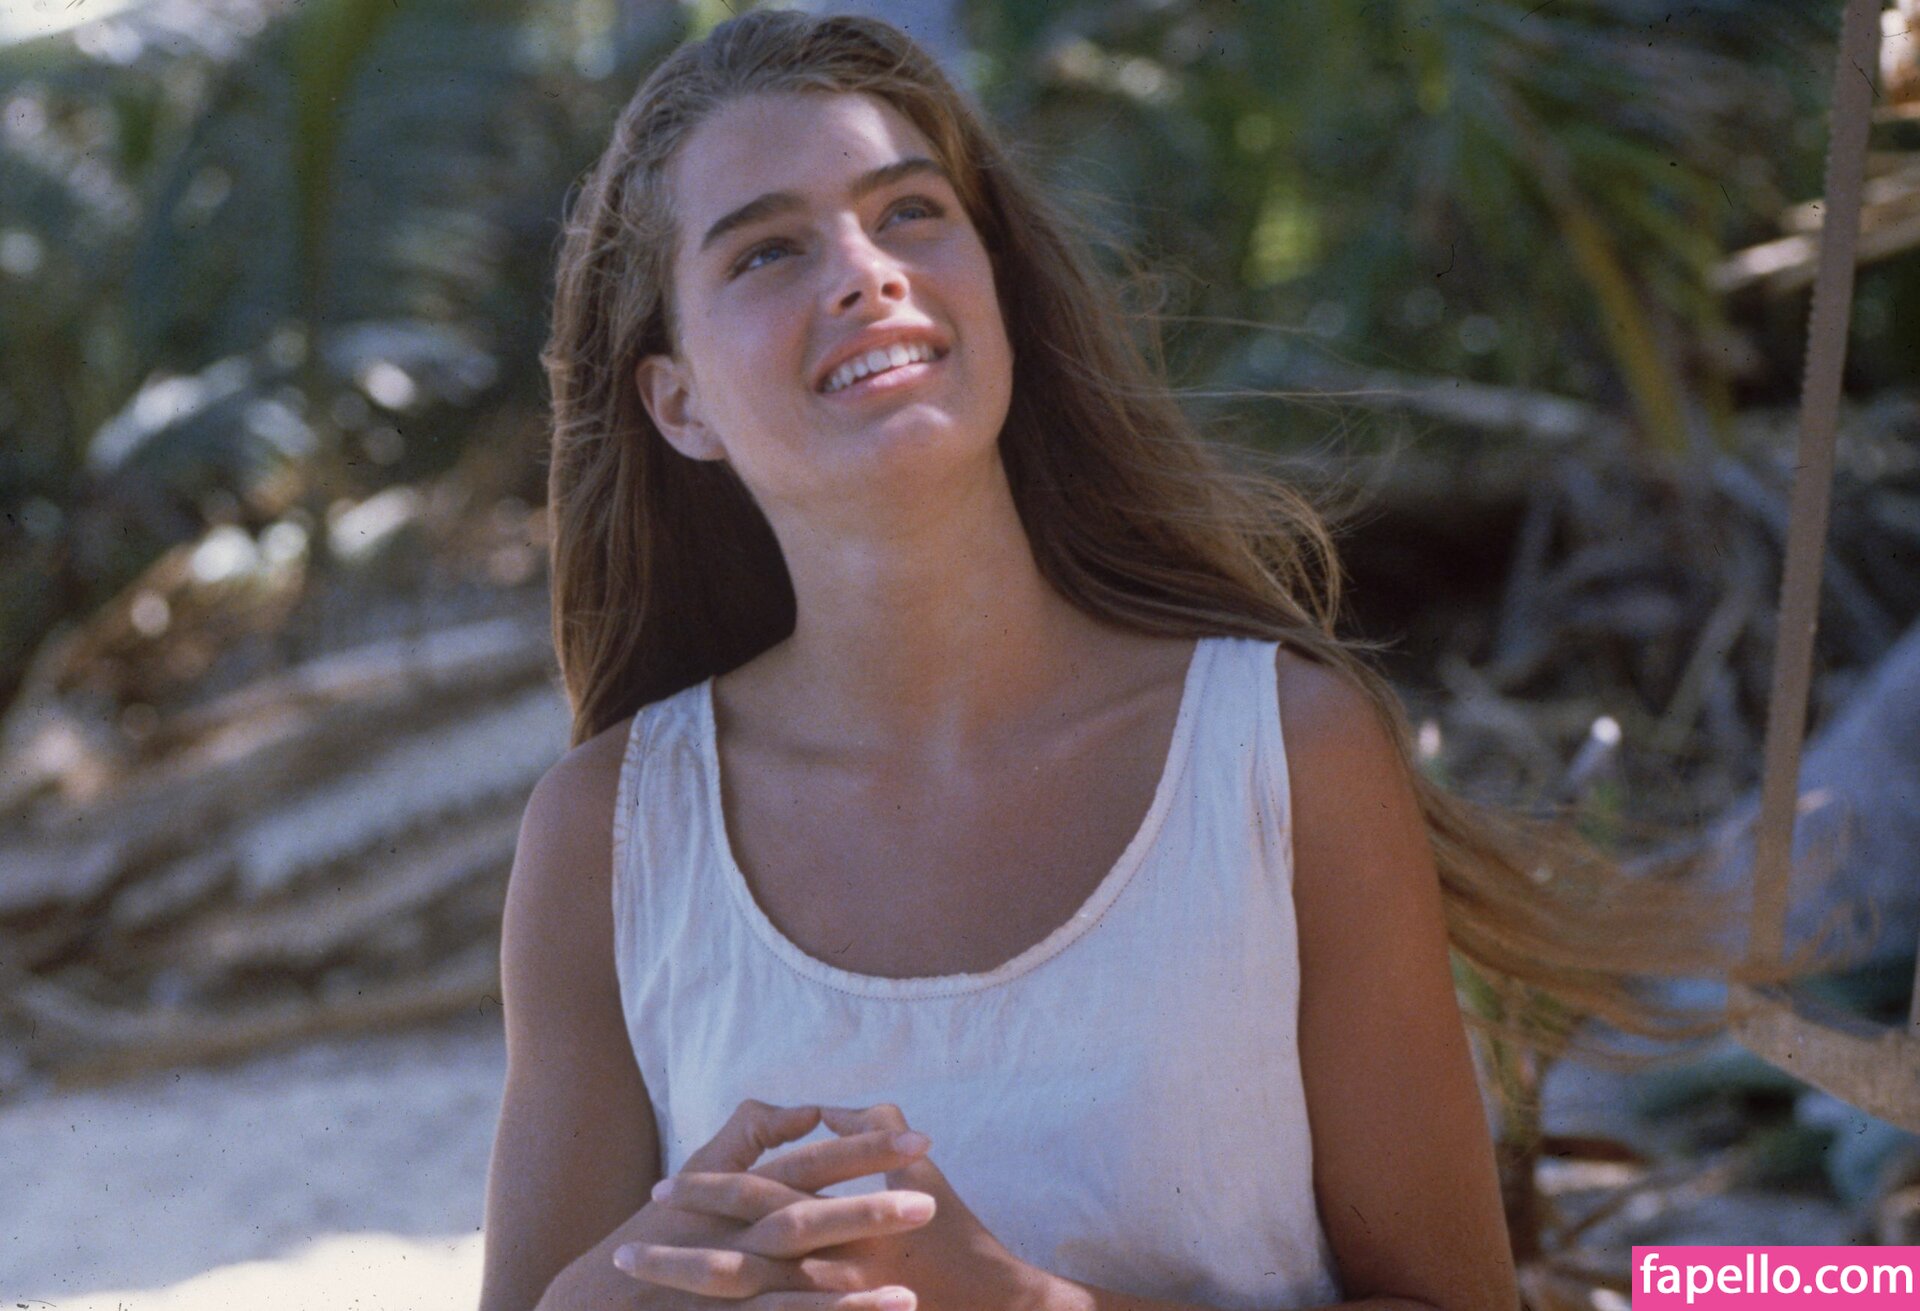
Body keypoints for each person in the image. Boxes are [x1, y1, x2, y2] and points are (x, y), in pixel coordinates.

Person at [478, 12, 1822, 1311]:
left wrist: (1026, 1309)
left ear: (994, 286)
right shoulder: (611, 839)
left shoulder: (1281, 753)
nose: (864, 271)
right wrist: (621, 1291)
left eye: (910, 211)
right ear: (680, 402)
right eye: (768, 250)